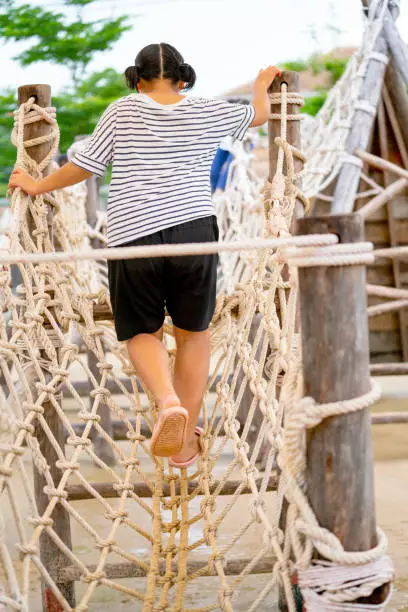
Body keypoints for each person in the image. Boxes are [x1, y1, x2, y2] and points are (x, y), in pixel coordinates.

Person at [8, 43, 281, 467]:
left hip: (133, 235)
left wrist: (36, 184)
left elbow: (86, 167)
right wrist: (262, 85)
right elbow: (259, 114)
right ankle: (186, 436)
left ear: (136, 81)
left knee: (141, 331)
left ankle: (168, 402)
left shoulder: (121, 110)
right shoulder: (207, 110)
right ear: (183, 78)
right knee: (194, 333)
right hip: (195, 234)